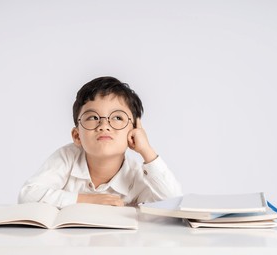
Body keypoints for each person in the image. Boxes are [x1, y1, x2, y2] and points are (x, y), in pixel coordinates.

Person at [18, 76, 182, 208]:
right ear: (77, 136)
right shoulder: (67, 157)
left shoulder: (135, 176)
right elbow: (27, 195)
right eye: (93, 117)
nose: (104, 126)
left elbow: (173, 202)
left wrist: (147, 150)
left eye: (117, 118)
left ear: (133, 131)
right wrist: (88, 200)